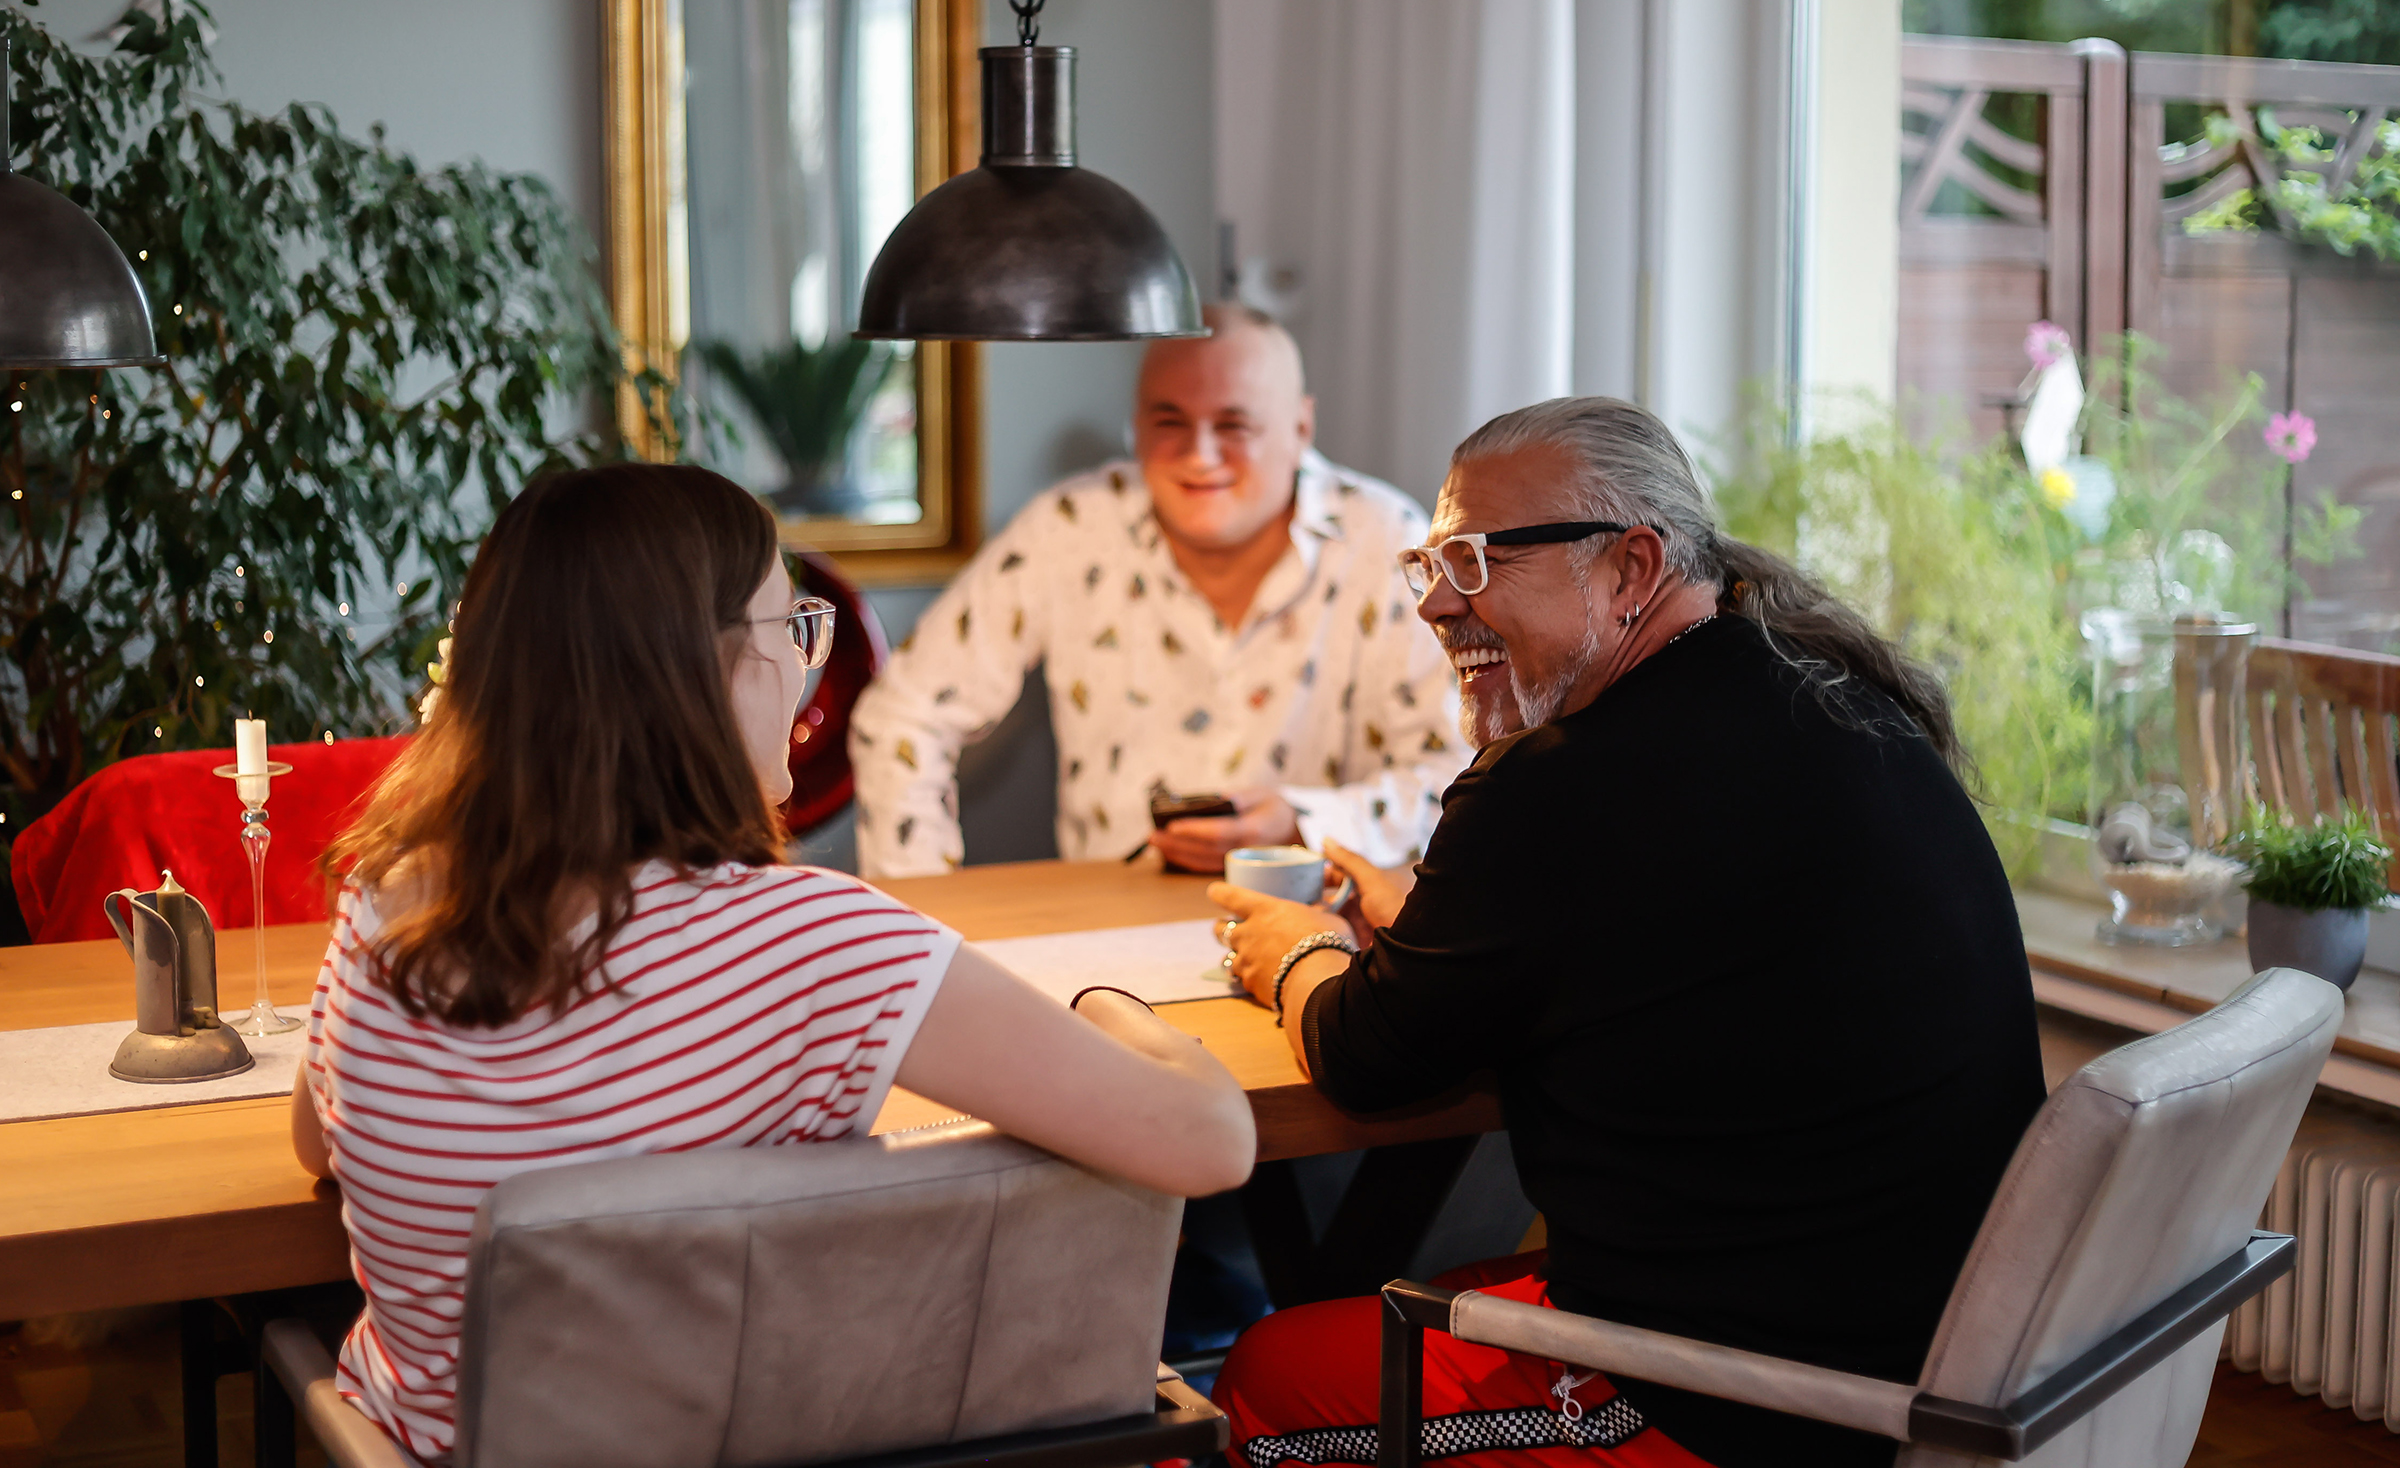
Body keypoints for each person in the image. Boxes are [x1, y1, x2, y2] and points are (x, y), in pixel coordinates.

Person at [290, 463, 1255, 1462]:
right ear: (698, 671)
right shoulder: (814, 945)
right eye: (790, 628)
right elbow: (1214, 1142)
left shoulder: (382, 902)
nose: (803, 668)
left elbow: (321, 1149)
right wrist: (1106, 1007)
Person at [1206, 399, 2046, 1468]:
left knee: (1268, 1378)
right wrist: (1411, 909)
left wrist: (1295, 951)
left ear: (1630, 569)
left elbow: (1363, 1056)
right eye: (1428, 564)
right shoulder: (1831, 699)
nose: (1433, 607)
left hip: (1749, 1407)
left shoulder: (1560, 786)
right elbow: (1647, 935)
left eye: (1474, 562)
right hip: (1928, 1353)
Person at [848, 305, 1462, 879]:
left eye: (1233, 424)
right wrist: (921, 919)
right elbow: (901, 715)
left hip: (1328, 933)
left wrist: (1304, 821)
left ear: (1300, 425)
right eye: (1169, 422)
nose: (1199, 455)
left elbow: (1457, 776)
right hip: (1108, 937)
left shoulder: (1389, 544)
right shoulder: (1070, 527)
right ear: (1136, 426)